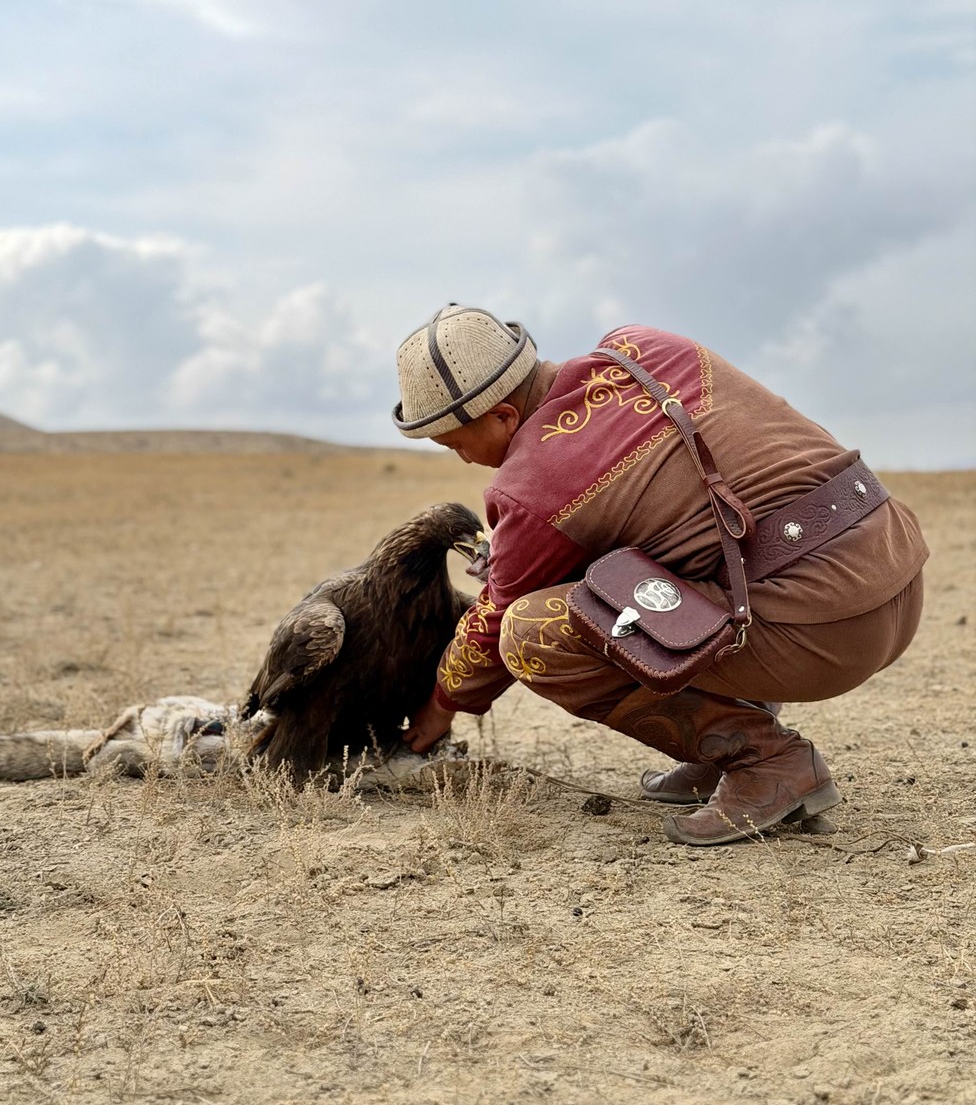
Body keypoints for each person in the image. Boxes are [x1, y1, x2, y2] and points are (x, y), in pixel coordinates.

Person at [393, 305, 928, 846]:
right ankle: (723, 742)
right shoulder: (641, 347)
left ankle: (763, 758)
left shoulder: (530, 485)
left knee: (532, 631)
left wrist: (441, 706)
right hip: (894, 565)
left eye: (455, 444)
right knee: (633, 580)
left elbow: (496, 615)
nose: (463, 460)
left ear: (504, 416)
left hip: (825, 628)